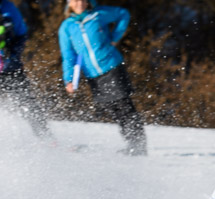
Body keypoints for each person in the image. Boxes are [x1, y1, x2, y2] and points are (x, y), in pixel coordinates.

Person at [59, 0, 147, 155]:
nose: (79, 3)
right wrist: (69, 79)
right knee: (113, 109)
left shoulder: (98, 15)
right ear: (69, 4)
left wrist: (115, 37)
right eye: (75, 0)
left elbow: (123, 14)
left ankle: (138, 146)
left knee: (124, 106)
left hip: (111, 66)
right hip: (92, 74)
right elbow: (68, 56)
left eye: (82, 0)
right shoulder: (66, 27)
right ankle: (131, 144)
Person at [0, 0, 52, 139]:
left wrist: (12, 55)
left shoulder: (7, 7)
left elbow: (21, 35)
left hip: (9, 67)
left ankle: (46, 138)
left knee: (28, 103)